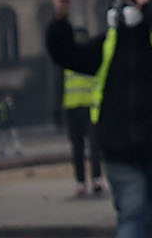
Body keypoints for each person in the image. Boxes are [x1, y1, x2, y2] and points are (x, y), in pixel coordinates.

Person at [46, 0, 152, 238]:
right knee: (132, 209)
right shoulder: (108, 45)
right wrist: (60, 20)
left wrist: (149, 7)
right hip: (120, 148)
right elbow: (67, 55)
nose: (124, 10)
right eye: (119, 5)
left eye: (131, 3)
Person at [60, 28, 104, 197]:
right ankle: (83, 182)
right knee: (80, 147)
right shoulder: (68, 59)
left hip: (87, 106)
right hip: (74, 107)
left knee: (92, 146)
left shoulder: (90, 58)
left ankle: (94, 179)